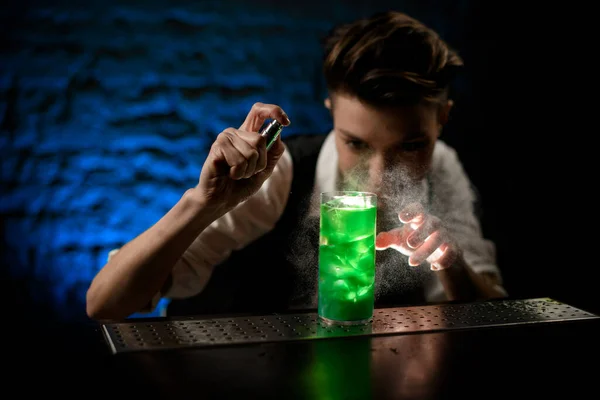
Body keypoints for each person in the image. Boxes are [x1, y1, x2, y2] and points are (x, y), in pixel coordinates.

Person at [86, 10, 507, 321]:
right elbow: (104, 304)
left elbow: (494, 316)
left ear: (443, 120)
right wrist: (203, 204)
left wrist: (451, 265)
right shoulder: (279, 172)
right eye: (356, 144)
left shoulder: (444, 167)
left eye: (411, 146)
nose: (379, 176)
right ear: (331, 113)